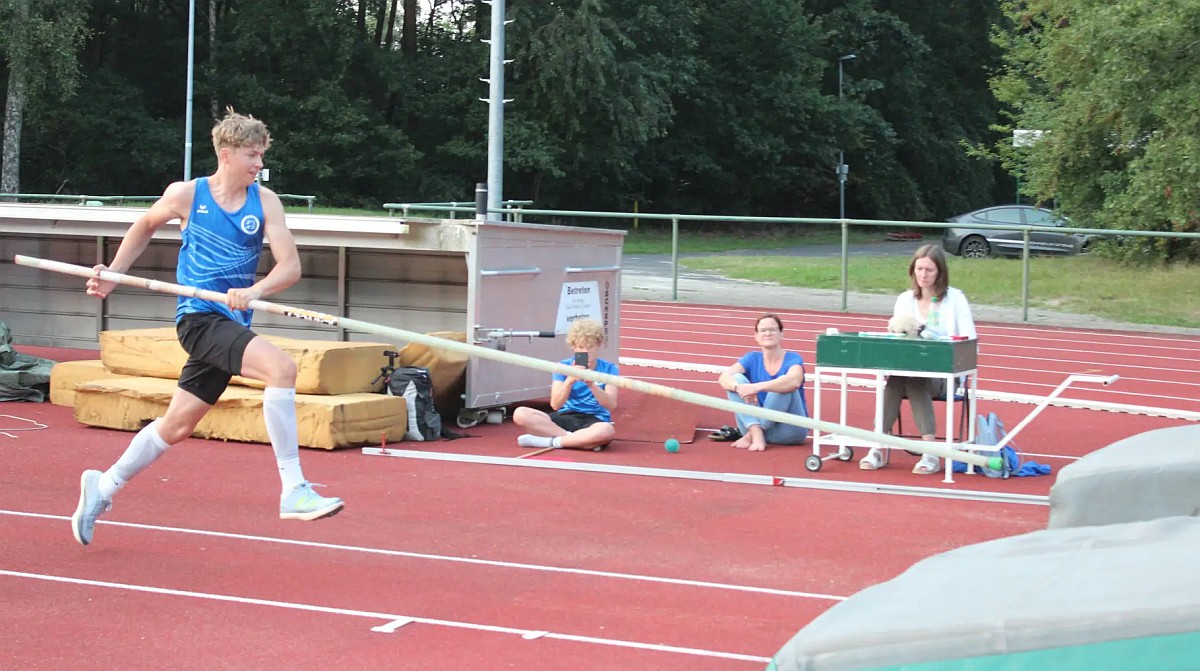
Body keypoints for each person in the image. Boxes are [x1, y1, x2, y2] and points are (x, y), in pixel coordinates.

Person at [71, 109, 343, 546]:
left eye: (261, 156)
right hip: (199, 318)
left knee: (176, 426)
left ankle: (102, 488)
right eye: (252, 156)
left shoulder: (266, 201)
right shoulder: (187, 195)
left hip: (233, 319)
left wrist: (256, 289)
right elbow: (144, 226)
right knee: (281, 370)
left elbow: (289, 266)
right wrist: (114, 273)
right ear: (226, 153)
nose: (258, 164)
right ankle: (293, 489)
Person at [860, 244, 977, 475]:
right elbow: (895, 334)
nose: (923, 275)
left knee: (914, 380)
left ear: (940, 272)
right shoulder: (905, 300)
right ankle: (878, 447)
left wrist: (932, 336)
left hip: (945, 374)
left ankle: (928, 451)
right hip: (908, 368)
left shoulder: (955, 299)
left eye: (929, 270)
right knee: (896, 378)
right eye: (919, 269)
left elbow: (969, 341)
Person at [512, 318, 617, 451]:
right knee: (520, 413)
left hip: (595, 419)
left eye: (590, 346)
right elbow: (555, 404)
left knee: (606, 430)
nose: (585, 352)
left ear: (599, 344)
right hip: (565, 416)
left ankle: (552, 442)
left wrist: (592, 385)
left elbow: (611, 405)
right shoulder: (563, 366)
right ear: (573, 346)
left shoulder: (609, 369)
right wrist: (569, 380)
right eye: (580, 347)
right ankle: (577, 440)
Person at [714, 313, 810, 451]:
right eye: (763, 330)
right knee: (736, 379)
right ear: (756, 336)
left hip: (788, 430)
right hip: (752, 426)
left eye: (773, 329)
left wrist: (756, 388)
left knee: (783, 383)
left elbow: (794, 381)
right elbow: (723, 378)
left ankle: (752, 435)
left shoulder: (792, 358)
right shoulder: (752, 358)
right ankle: (756, 431)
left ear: (781, 334)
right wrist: (739, 388)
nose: (768, 333)